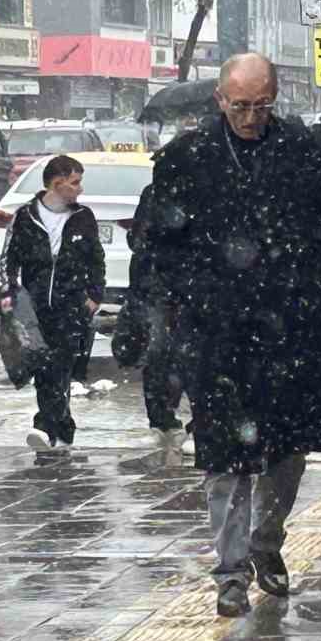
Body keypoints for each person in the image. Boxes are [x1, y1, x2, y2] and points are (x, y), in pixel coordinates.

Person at [148, 52, 321, 619]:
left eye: (262, 105)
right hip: (217, 333)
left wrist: (308, 294)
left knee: (289, 450)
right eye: (241, 106)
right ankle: (229, 570)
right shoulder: (187, 158)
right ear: (220, 100)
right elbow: (163, 244)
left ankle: (268, 539)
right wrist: (197, 298)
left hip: (290, 329)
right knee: (225, 458)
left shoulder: (304, 153)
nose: (252, 117)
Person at [0, 154, 105, 453]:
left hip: (72, 306)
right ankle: (61, 429)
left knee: (60, 365)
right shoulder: (25, 216)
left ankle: (45, 426)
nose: (80, 189)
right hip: (34, 307)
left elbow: (96, 259)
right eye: (75, 182)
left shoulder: (83, 216)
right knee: (44, 367)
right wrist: (11, 292)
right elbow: (9, 258)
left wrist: (94, 295)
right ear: (57, 184)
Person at [125, 178, 187, 460]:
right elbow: (137, 240)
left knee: (190, 354)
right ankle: (161, 418)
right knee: (159, 352)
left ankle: (191, 420)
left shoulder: (206, 191)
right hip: (157, 289)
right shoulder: (153, 193)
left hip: (191, 289)